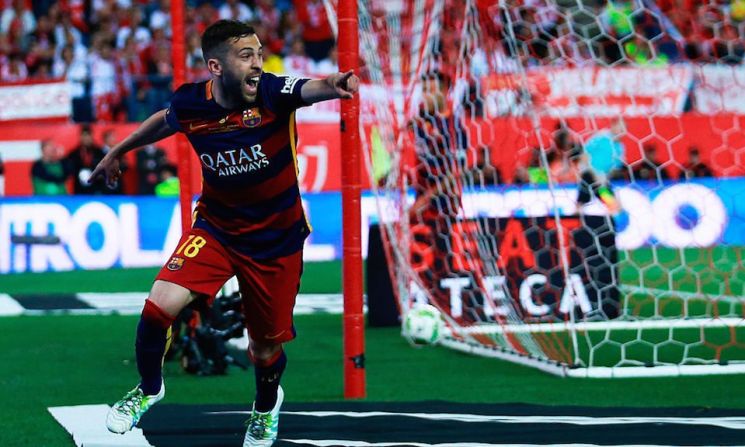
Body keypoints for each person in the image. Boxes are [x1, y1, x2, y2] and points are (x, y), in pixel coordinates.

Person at [90, 20, 359, 446]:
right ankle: (148, 388)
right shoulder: (193, 104)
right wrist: (119, 150)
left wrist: (334, 83)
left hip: (276, 239)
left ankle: (266, 407)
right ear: (215, 66)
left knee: (264, 348)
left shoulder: (272, 93)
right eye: (246, 56)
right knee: (159, 305)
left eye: (259, 53)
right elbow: (166, 120)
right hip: (216, 227)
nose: (257, 64)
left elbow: (310, 87)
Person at [577, 119, 626, 214]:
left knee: (614, 205)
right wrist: (593, 172)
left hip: (602, 181)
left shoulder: (620, 147)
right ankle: (574, 224)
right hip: (589, 175)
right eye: (620, 127)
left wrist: (604, 177)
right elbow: (584, 154)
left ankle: (608, 225)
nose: (622, 131)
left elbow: (615, 168)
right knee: (581, 204)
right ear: (613, 126)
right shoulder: (601, 137)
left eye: (624, 128)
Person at [66, 124, 106, 195]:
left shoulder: (100, 152)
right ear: (80, 137)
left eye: (88, 136)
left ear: (92, 136)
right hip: (79, 190)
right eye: (84, 136)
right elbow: (69, 171)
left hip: (96, 190)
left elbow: (104, 170)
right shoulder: (73, 154)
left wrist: (94, 174)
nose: (86, 138)